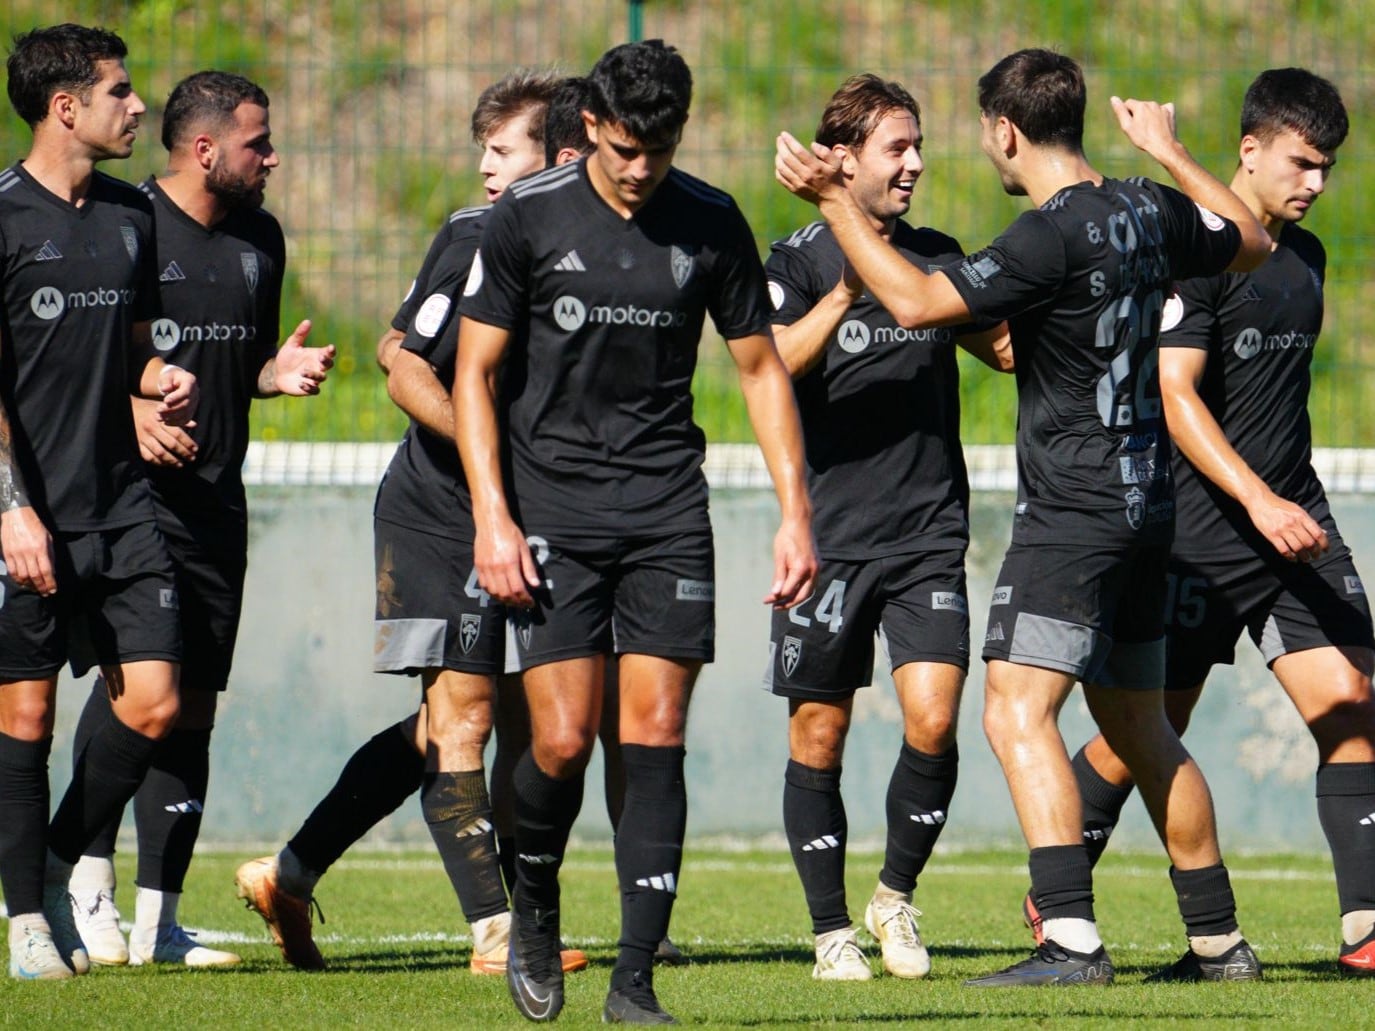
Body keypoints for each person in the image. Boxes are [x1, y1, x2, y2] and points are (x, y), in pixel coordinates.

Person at [775, 47, 1272, 986]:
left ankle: (1070, 941)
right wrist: (1167, 153)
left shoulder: (1047, 234)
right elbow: (1249, 240)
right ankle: (1218, 942)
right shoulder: (1147, 205)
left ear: (1004, 131)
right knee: (1140, 730)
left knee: (1012, 711)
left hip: (1074, 514)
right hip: (1150, 506)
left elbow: (921, 301)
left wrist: (835, 204)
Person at [455, 39, 817, 1024]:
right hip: (553, 514)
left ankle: (633, 979)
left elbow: (758, 370)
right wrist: (492, 515)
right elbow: (474, 372)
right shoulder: (527, 217)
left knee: (653, 733)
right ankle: (532, 898)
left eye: (657, 149)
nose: (639, 167)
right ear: (589, 132)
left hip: (665, 512)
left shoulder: (709, 220)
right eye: (621, 148)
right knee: (562, 741)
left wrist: (795, 513)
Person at [235, 70, 590, 977]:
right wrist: (484, 459)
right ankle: (498, 933)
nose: (482, 167)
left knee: (477, 725)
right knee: (464, 716)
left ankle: (289, 870)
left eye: (501, 150)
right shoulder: (476, 234)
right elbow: (405, 366)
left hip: (529, 514)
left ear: (564, 153)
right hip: (440, 512)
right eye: (484, 148)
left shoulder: (602, 242)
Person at [1056, 68, 1375, 978]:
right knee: (1142, 736)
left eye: (1328, 168)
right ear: (1249, 149)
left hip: (1292, 527)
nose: (1314, 182)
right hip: (1197, 535)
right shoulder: (1198, 257)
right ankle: (1061, 894)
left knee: (1351, 710)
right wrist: (1255, 499)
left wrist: (1284, 502)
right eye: (1301, 162)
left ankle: (1364, 929)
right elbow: (1175, 393)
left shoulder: (1305, 258)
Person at [59, 69, 334, 970]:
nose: (272, 157)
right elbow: (74, 366)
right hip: (131, 507)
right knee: (143, 698)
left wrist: (272, 376)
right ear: (206, 149)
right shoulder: (124, 225)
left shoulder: (261, 237)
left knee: (196, 713)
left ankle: (158, 921)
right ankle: (82, 883)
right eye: (258, 142)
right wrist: (132, 413)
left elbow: (242, 360)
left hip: (219, 499)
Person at [764, 74, 1011, 982]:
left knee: (935, 720)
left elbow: (1005, 348)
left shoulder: (938, 252)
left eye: (917, 146)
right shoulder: (792, 261)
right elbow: (772, 365)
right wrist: (849, 276)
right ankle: (830, 930)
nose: (915, 162)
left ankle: (894, 898)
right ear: (841, 159)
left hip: (927, 534)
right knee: (817, 735)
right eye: (894, 148)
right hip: (827, 540)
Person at [0, 23, 198, 981]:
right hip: (26, 510)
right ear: (64, 106)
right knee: (27, 720)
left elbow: (131, 347)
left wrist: (159, 377)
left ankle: (47, 861)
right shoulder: (0, 216)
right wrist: (10, 508)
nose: (137, 107)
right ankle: (27, 922)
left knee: (156, 703)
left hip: (123, 504)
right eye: (120, 92)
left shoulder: (132, 214)